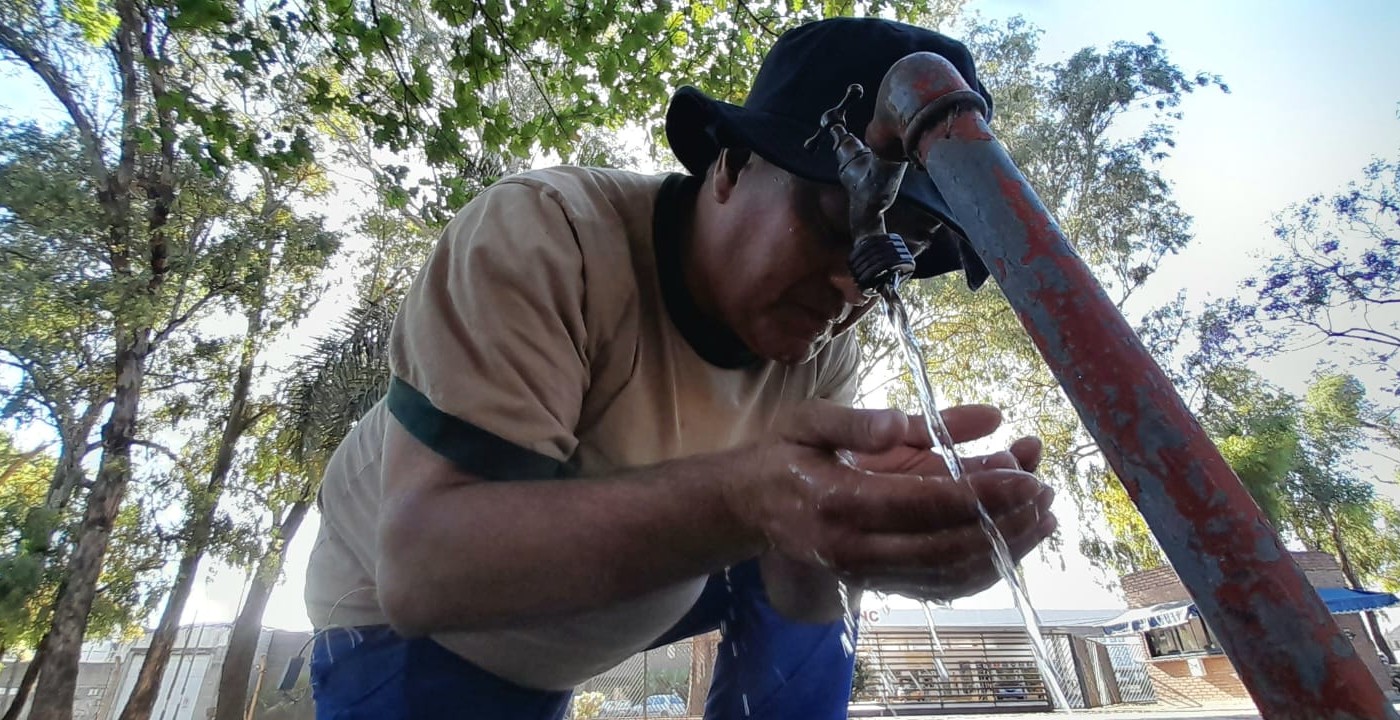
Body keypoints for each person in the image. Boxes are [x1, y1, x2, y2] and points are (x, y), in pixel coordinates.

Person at [303, 15, 1058, 720]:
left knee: (808, 512)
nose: (855, 285)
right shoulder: (550, 237)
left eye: (902, 255)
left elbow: (797, 596)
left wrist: (863, 537)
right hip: (417, 637)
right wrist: (754, 502)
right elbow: (428, 568)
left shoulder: (829, 338)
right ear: (729, 166)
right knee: (776, 499)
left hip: (636, 588)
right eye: (836, 223)